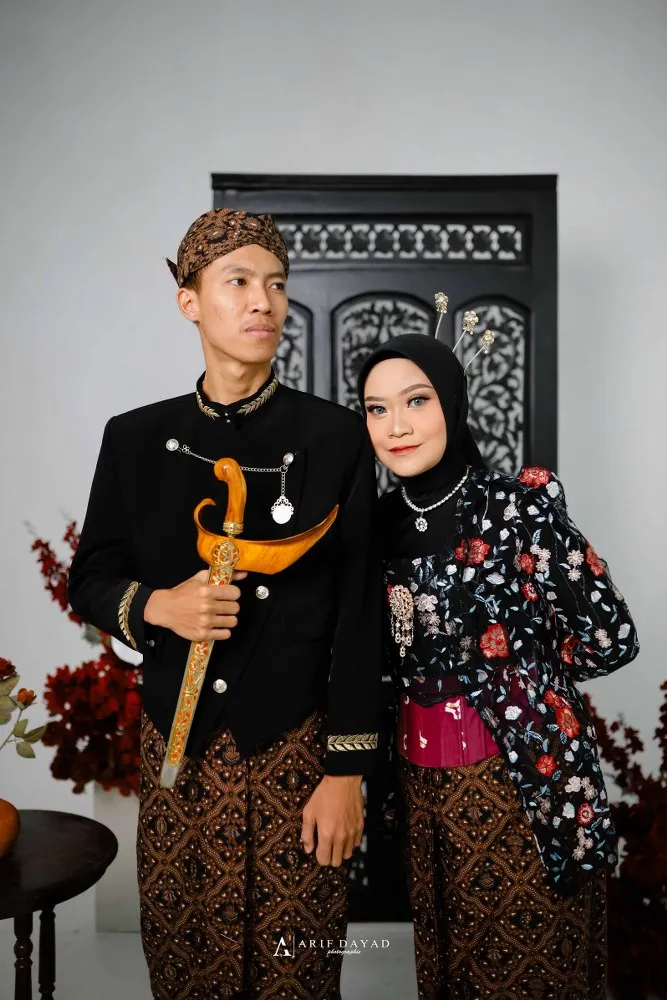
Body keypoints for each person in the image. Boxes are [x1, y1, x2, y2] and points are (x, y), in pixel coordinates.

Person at [68, 208, 382, 1000]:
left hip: (296, 753)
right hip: (179, 756)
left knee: (297, 973)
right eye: (237, 281)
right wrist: (158, 606)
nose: (261, 302)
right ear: (189, 301)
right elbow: (92, 576)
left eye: (275, 283)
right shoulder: (134, 438)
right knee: (184, 966)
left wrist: (346, 771)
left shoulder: (336, 436)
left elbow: (359, 614)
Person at [357, 333, 639, 1000]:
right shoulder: (373, 524)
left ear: (452, 404)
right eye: (375, 409)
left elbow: (610, 637)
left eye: (415, 401)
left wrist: (525, 677)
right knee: (449, 970)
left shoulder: (517, 507)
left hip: (522, 784)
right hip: (421, 792)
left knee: (532, 969)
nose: (395, 426)